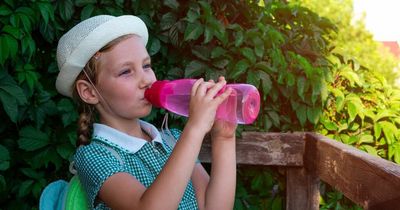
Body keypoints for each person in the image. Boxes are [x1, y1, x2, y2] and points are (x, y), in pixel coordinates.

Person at [55, 14, 237, 210]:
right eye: (126, 71)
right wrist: (195, 128)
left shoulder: (173, 140)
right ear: (89, 92)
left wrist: (224, 138)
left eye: (146, 66)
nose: (147, 80)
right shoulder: (94, 156)